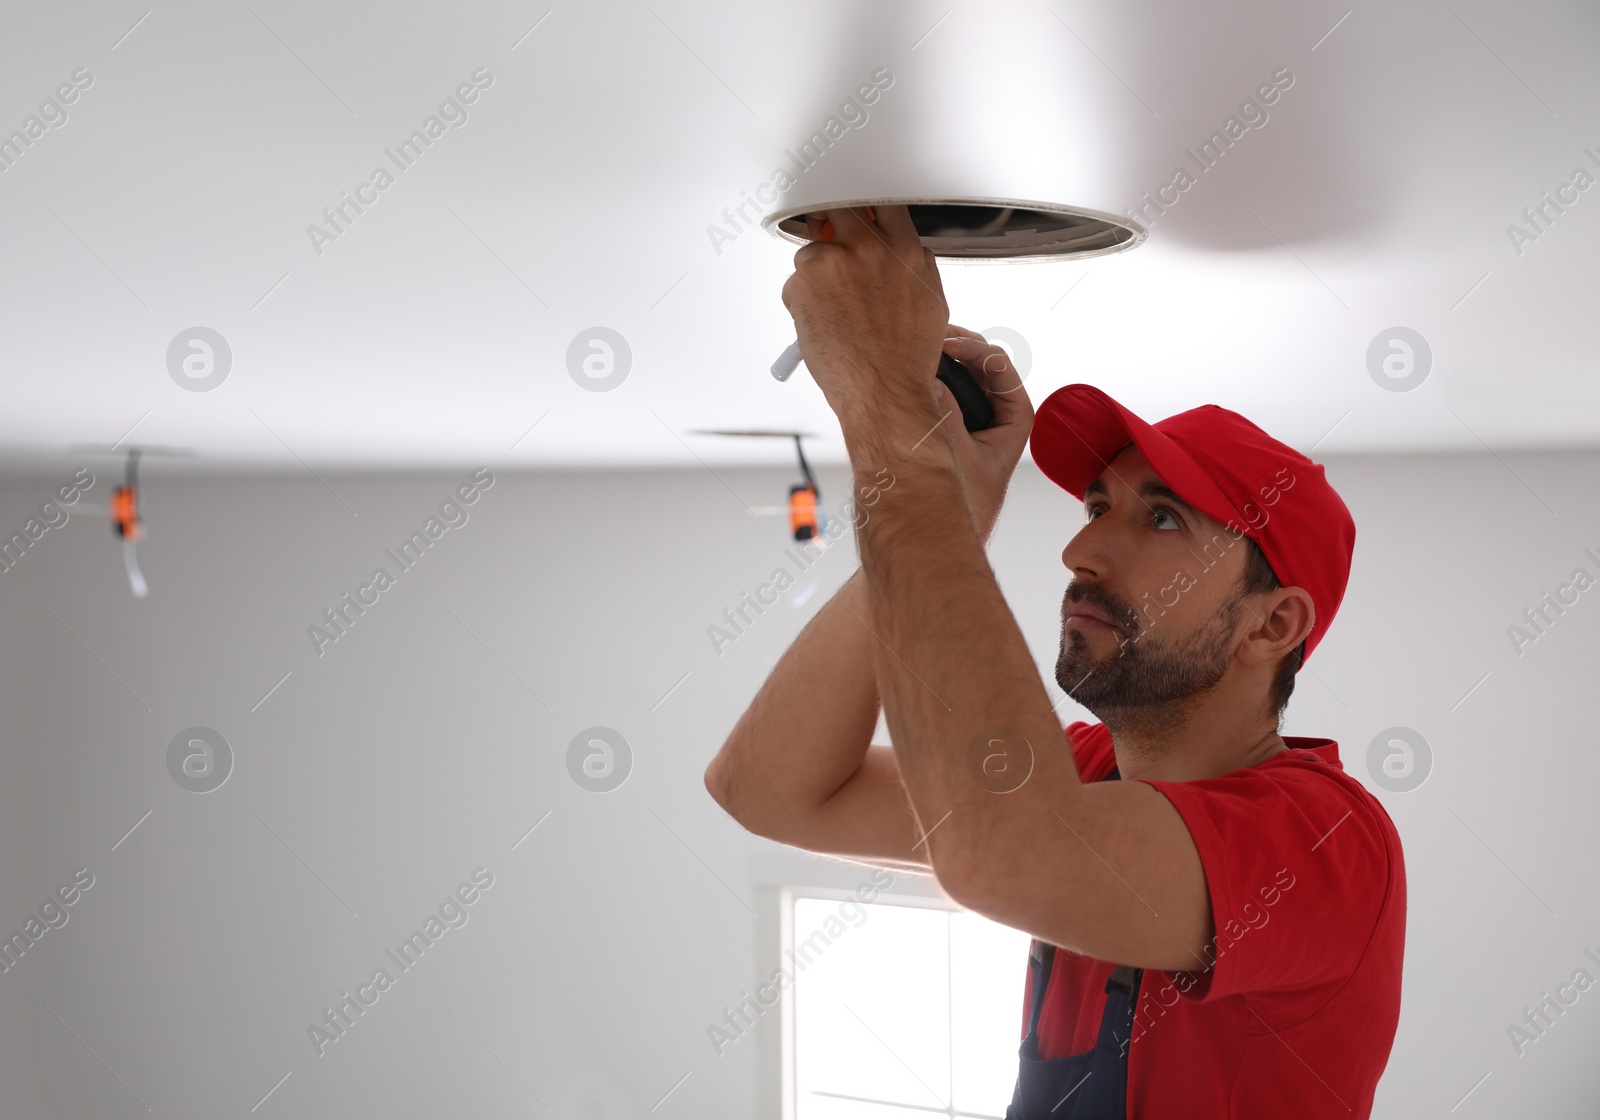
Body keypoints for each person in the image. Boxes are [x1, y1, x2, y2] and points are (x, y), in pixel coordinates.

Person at [703, 205, 1405, 1118]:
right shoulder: (1082, 780)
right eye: (1095, 506)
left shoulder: (1322, 843)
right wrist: (948, 502)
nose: (1082, 552)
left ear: (1271, 625)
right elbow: (769, 787)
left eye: (1161, 519)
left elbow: (1008, 855)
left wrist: (886, 424)